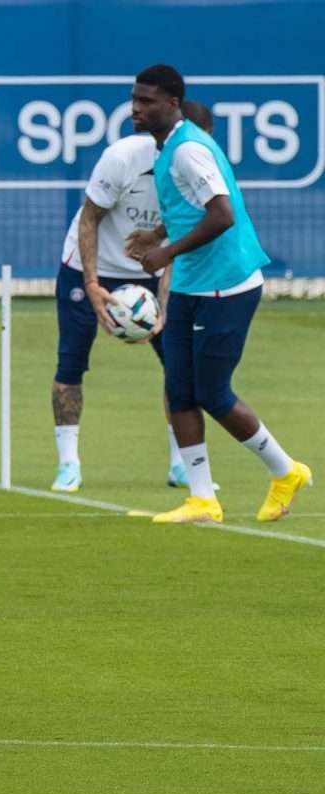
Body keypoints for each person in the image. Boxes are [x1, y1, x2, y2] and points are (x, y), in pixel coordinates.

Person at [126, 64, 311, 523]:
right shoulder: (169, 146)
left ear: (172, 104)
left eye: (146, 101)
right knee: (179, 388)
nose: (136, 108)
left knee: (212, 391)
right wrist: (156, 236)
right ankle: (202, 499)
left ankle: (285, 470)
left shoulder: (189, 151)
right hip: (193, 281)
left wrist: (165, 253)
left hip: (226, 284)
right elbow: (190, 208)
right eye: (134, 99)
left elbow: (223, 214)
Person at [51, 101, 216, 493]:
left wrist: (163, 312)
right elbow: (89, 218)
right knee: (71, 362)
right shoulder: (123, 157)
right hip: (87, 264)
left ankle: (182, 463)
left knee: (179, 365)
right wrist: (92, 284)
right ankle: (68, 464)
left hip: (151, 269)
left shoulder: (202, 175)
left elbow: (177, 244)